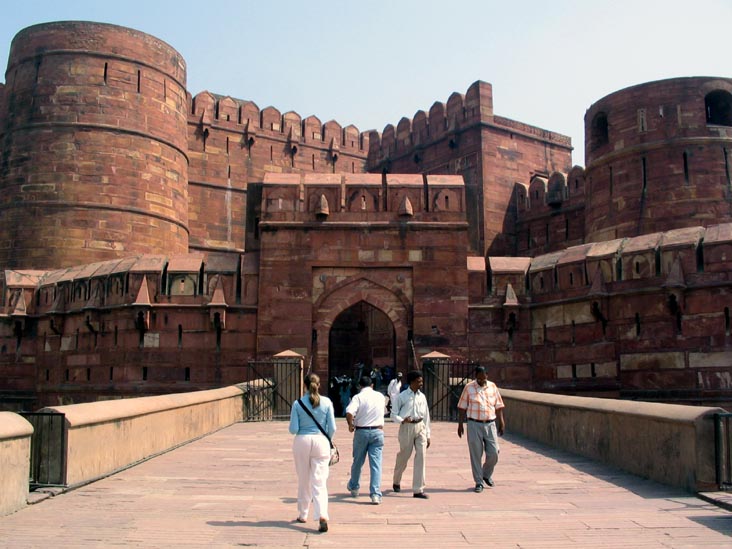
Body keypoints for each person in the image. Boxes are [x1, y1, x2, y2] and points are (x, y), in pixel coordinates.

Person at [289, 373, 336, 533]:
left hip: (302, 440)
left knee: (303, 479)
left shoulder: (298, 403)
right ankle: (322, 514)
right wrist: (327, 439)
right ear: (319, 384)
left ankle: (303, 514)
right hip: (321, 441)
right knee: (319, 481)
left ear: (304, 385)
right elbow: (333, 428)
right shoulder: (327, 402)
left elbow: (293, 429)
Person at [457, 366, 506, 493]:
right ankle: (479, 482)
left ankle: (486, 474)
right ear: (475, 377)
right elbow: (462, 407)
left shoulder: (492, 386)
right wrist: (460, 424)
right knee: (476, 454)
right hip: (474, 424)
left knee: (494, 452)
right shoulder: (469, 387)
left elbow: (499, 406)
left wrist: (501, 422)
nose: (481, 381)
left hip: (490, 423)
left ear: (487, 376)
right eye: (478, 379)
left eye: (483, 378)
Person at [345, 375, 386, 504]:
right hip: (377, 431)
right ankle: (375, 494)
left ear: (360, 386)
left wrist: (350, 424)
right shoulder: (380, 396)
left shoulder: (358, 397)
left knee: (358, 461)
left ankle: (354, 486)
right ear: (372, 385)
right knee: (376, 464)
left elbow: (349, 412)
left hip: (361, 431)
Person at [391, 370, 431, 498]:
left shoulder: (422, 396)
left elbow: (426, 416)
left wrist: (428, 434)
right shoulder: (401, 397)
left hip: (420, 426)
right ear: (412, 382)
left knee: (421, 456)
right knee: (404, 456)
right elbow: (393, 415)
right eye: (419, 381)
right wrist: (402, 420)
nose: (421, 383)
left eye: (421, 381)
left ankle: (418, 489)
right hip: (406, 427)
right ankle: (396, 480)